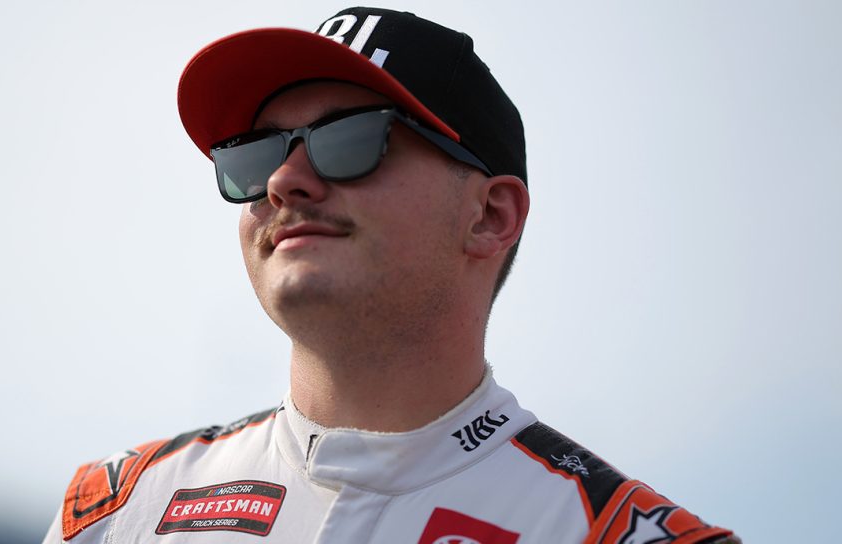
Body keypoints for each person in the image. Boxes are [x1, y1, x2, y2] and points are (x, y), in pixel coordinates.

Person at [42, 7, 739, 544]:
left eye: (351, 139)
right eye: (254, 154)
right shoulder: (117, 511)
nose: (283, 181)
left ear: (489, 216)